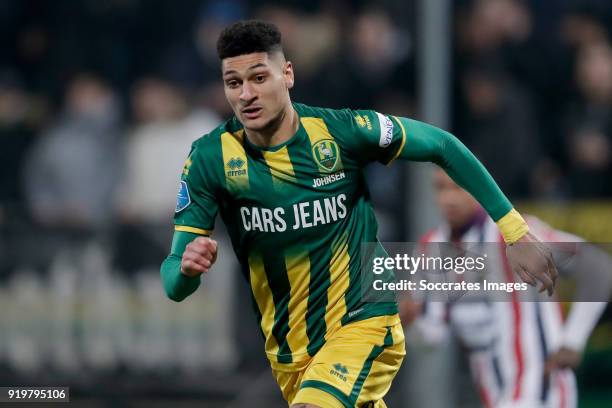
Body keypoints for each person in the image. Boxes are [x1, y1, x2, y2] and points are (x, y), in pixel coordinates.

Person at [160, 20, 557, 408]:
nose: (246, 94)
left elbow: (442, 145)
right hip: (291, 353)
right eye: (234, 83)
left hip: (364, 321)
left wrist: (514, 231)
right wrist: (187, 269)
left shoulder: (341, 132)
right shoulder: (209, 159)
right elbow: (174, 280)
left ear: (288, 74)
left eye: (259, 78)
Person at [400, 169, 609, 408]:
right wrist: (409, 318)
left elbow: (598, 266)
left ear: (479, 187)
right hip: (494, 393)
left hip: (541, 387)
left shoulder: (514, 233)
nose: (448, 198)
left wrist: (574, 339)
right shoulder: (432, 247)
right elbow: (431, 335)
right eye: (440, 188)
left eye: (458, 187)